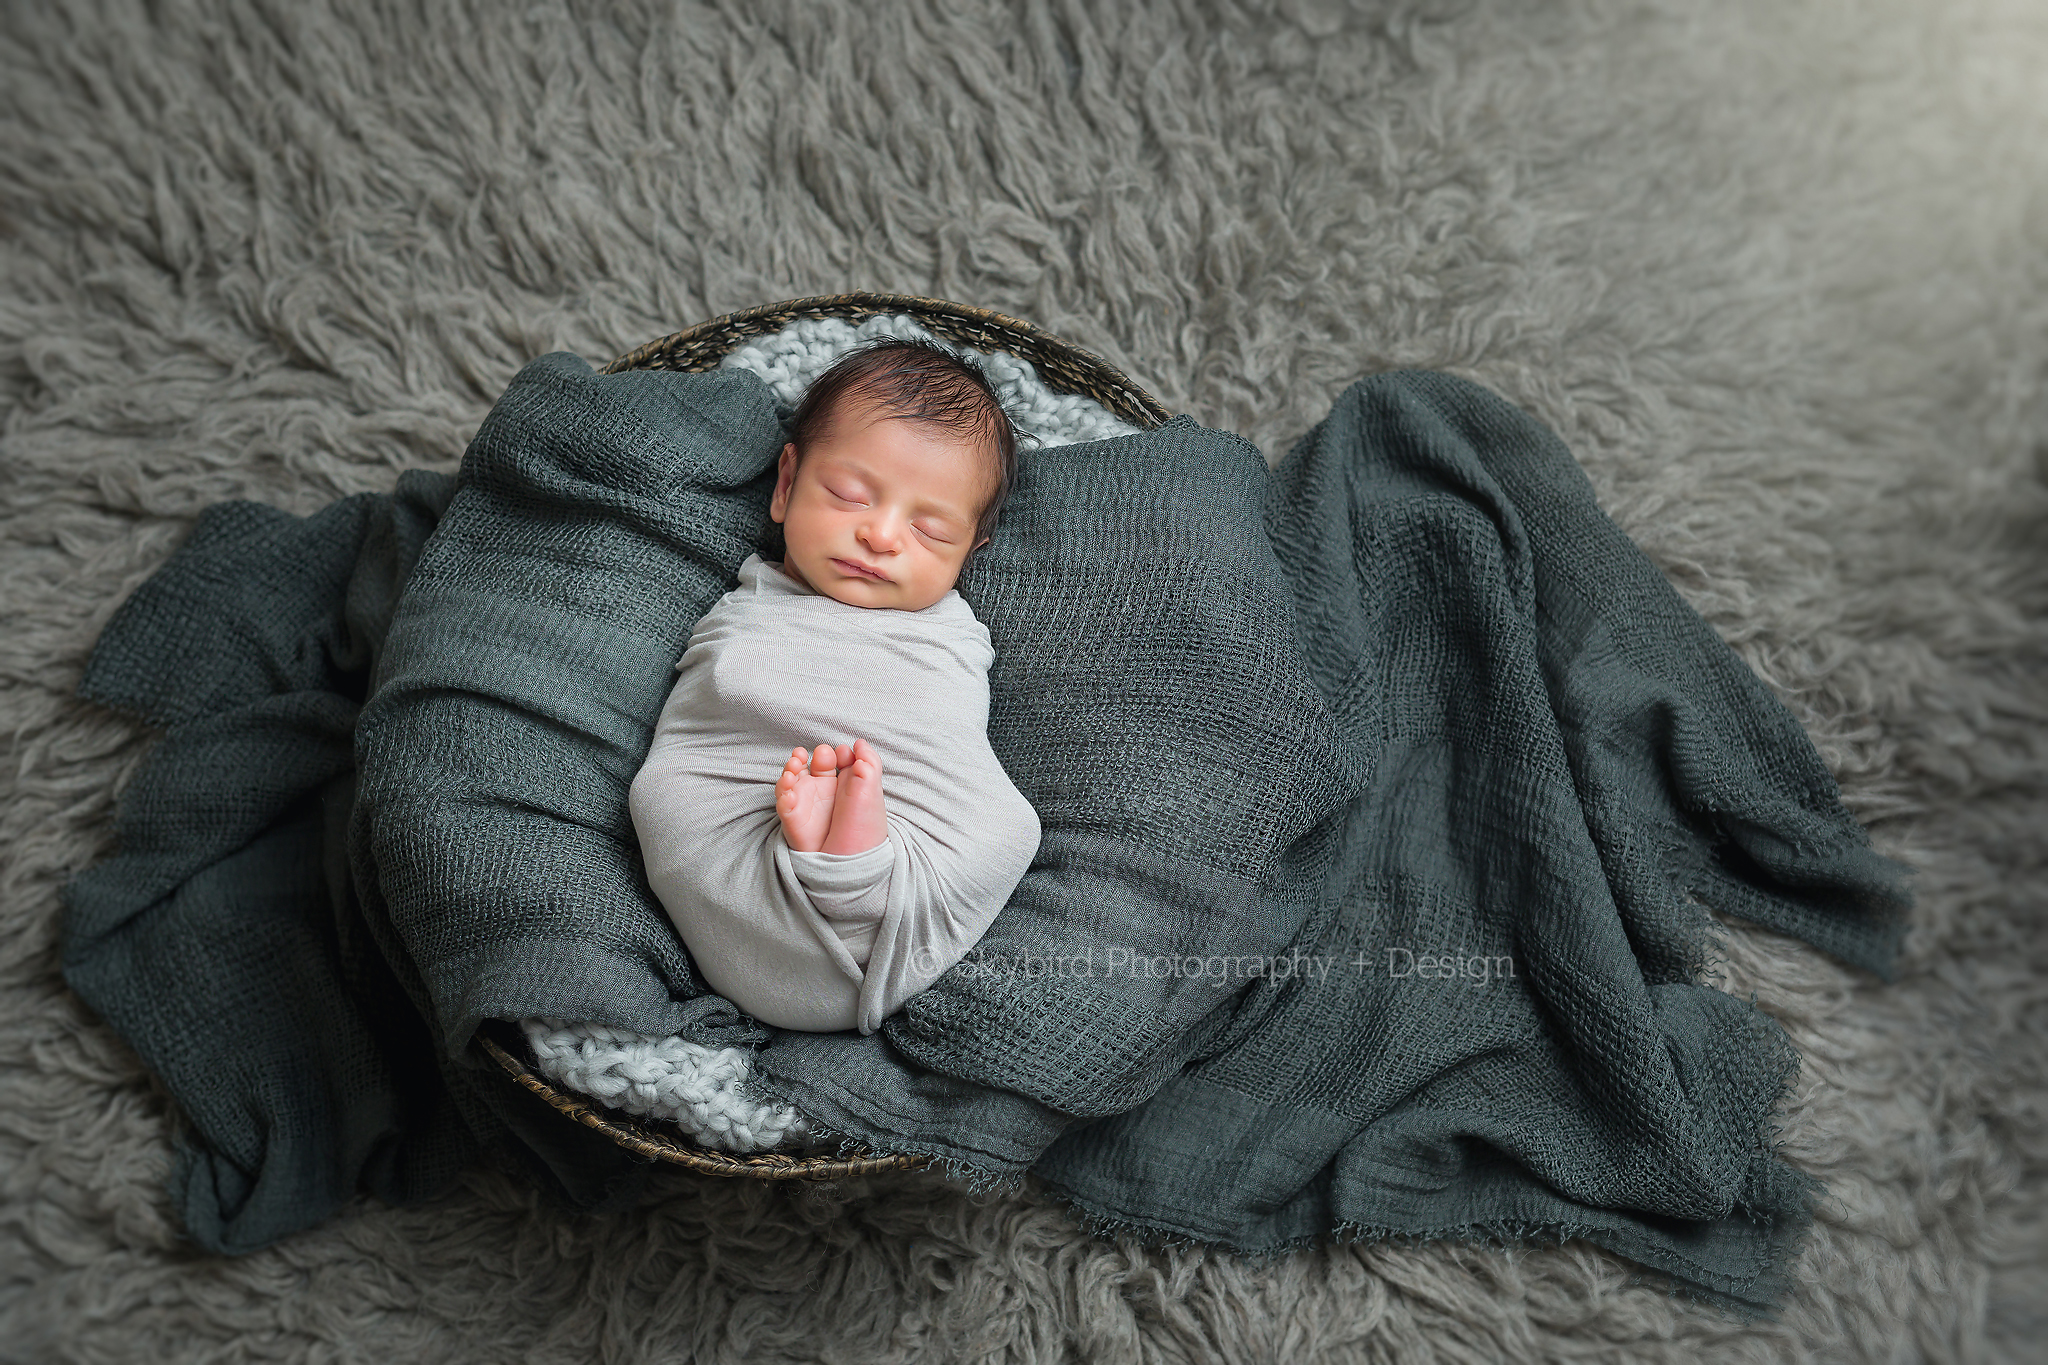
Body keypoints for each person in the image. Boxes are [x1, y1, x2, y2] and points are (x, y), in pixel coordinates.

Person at [629, 337, 1042, 1035]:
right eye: (850, 495)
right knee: (667, 793)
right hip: (744, 875)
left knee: (1005, 828)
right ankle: (844, 861)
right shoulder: (745, 603)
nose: (881, 535)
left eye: (930, 529)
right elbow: (715, 705)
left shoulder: (953, 631)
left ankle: (853, 862)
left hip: (910, 851)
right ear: (785, 484)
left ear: (970, 552)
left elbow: (945, 736)